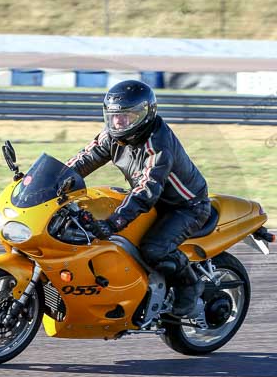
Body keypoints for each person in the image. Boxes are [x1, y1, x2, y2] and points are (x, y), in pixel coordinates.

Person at [66, 80, 211, 318]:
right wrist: (53, 180)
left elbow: (146, 190)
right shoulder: (113, 136)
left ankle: (190, 283)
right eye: (114, 116)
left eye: (127, 116)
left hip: (185, 207)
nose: (119, 122)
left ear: (145, 114)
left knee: (153, 249)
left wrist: (113, 223)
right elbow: (84, 159)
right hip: (154, 202)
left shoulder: (158, 143)